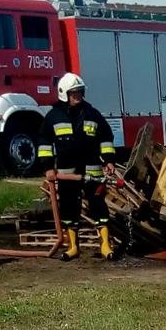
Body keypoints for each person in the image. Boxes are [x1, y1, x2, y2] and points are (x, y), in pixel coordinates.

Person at [37, 72, 116, 259]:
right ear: (64, 93)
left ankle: (105, 245)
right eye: (74, 93)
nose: (78, 96)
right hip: (66, 171)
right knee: (69, 207)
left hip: (92, 169)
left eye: (80, 92)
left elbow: (105, 138)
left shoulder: (92, 113)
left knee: (98, 206)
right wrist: (48, 167)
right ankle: (73, 247)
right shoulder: (53, 117)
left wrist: (109, 160)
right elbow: (44, 143)